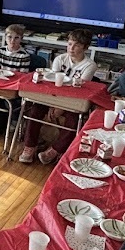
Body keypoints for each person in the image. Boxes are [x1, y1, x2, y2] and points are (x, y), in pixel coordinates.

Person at [18, 28, 98, 164]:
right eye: (69, 44)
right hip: (53, 97)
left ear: (85, 48)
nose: (71, 48)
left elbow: (79, 91)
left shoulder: (89, 65)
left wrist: (61, 107)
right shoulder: (60, 59)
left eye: (77, 45)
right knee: (35, 110)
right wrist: (53, 104)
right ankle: (30, 146)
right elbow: (51, 84)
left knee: (74, 119)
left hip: (73, 101)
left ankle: (55, 150)